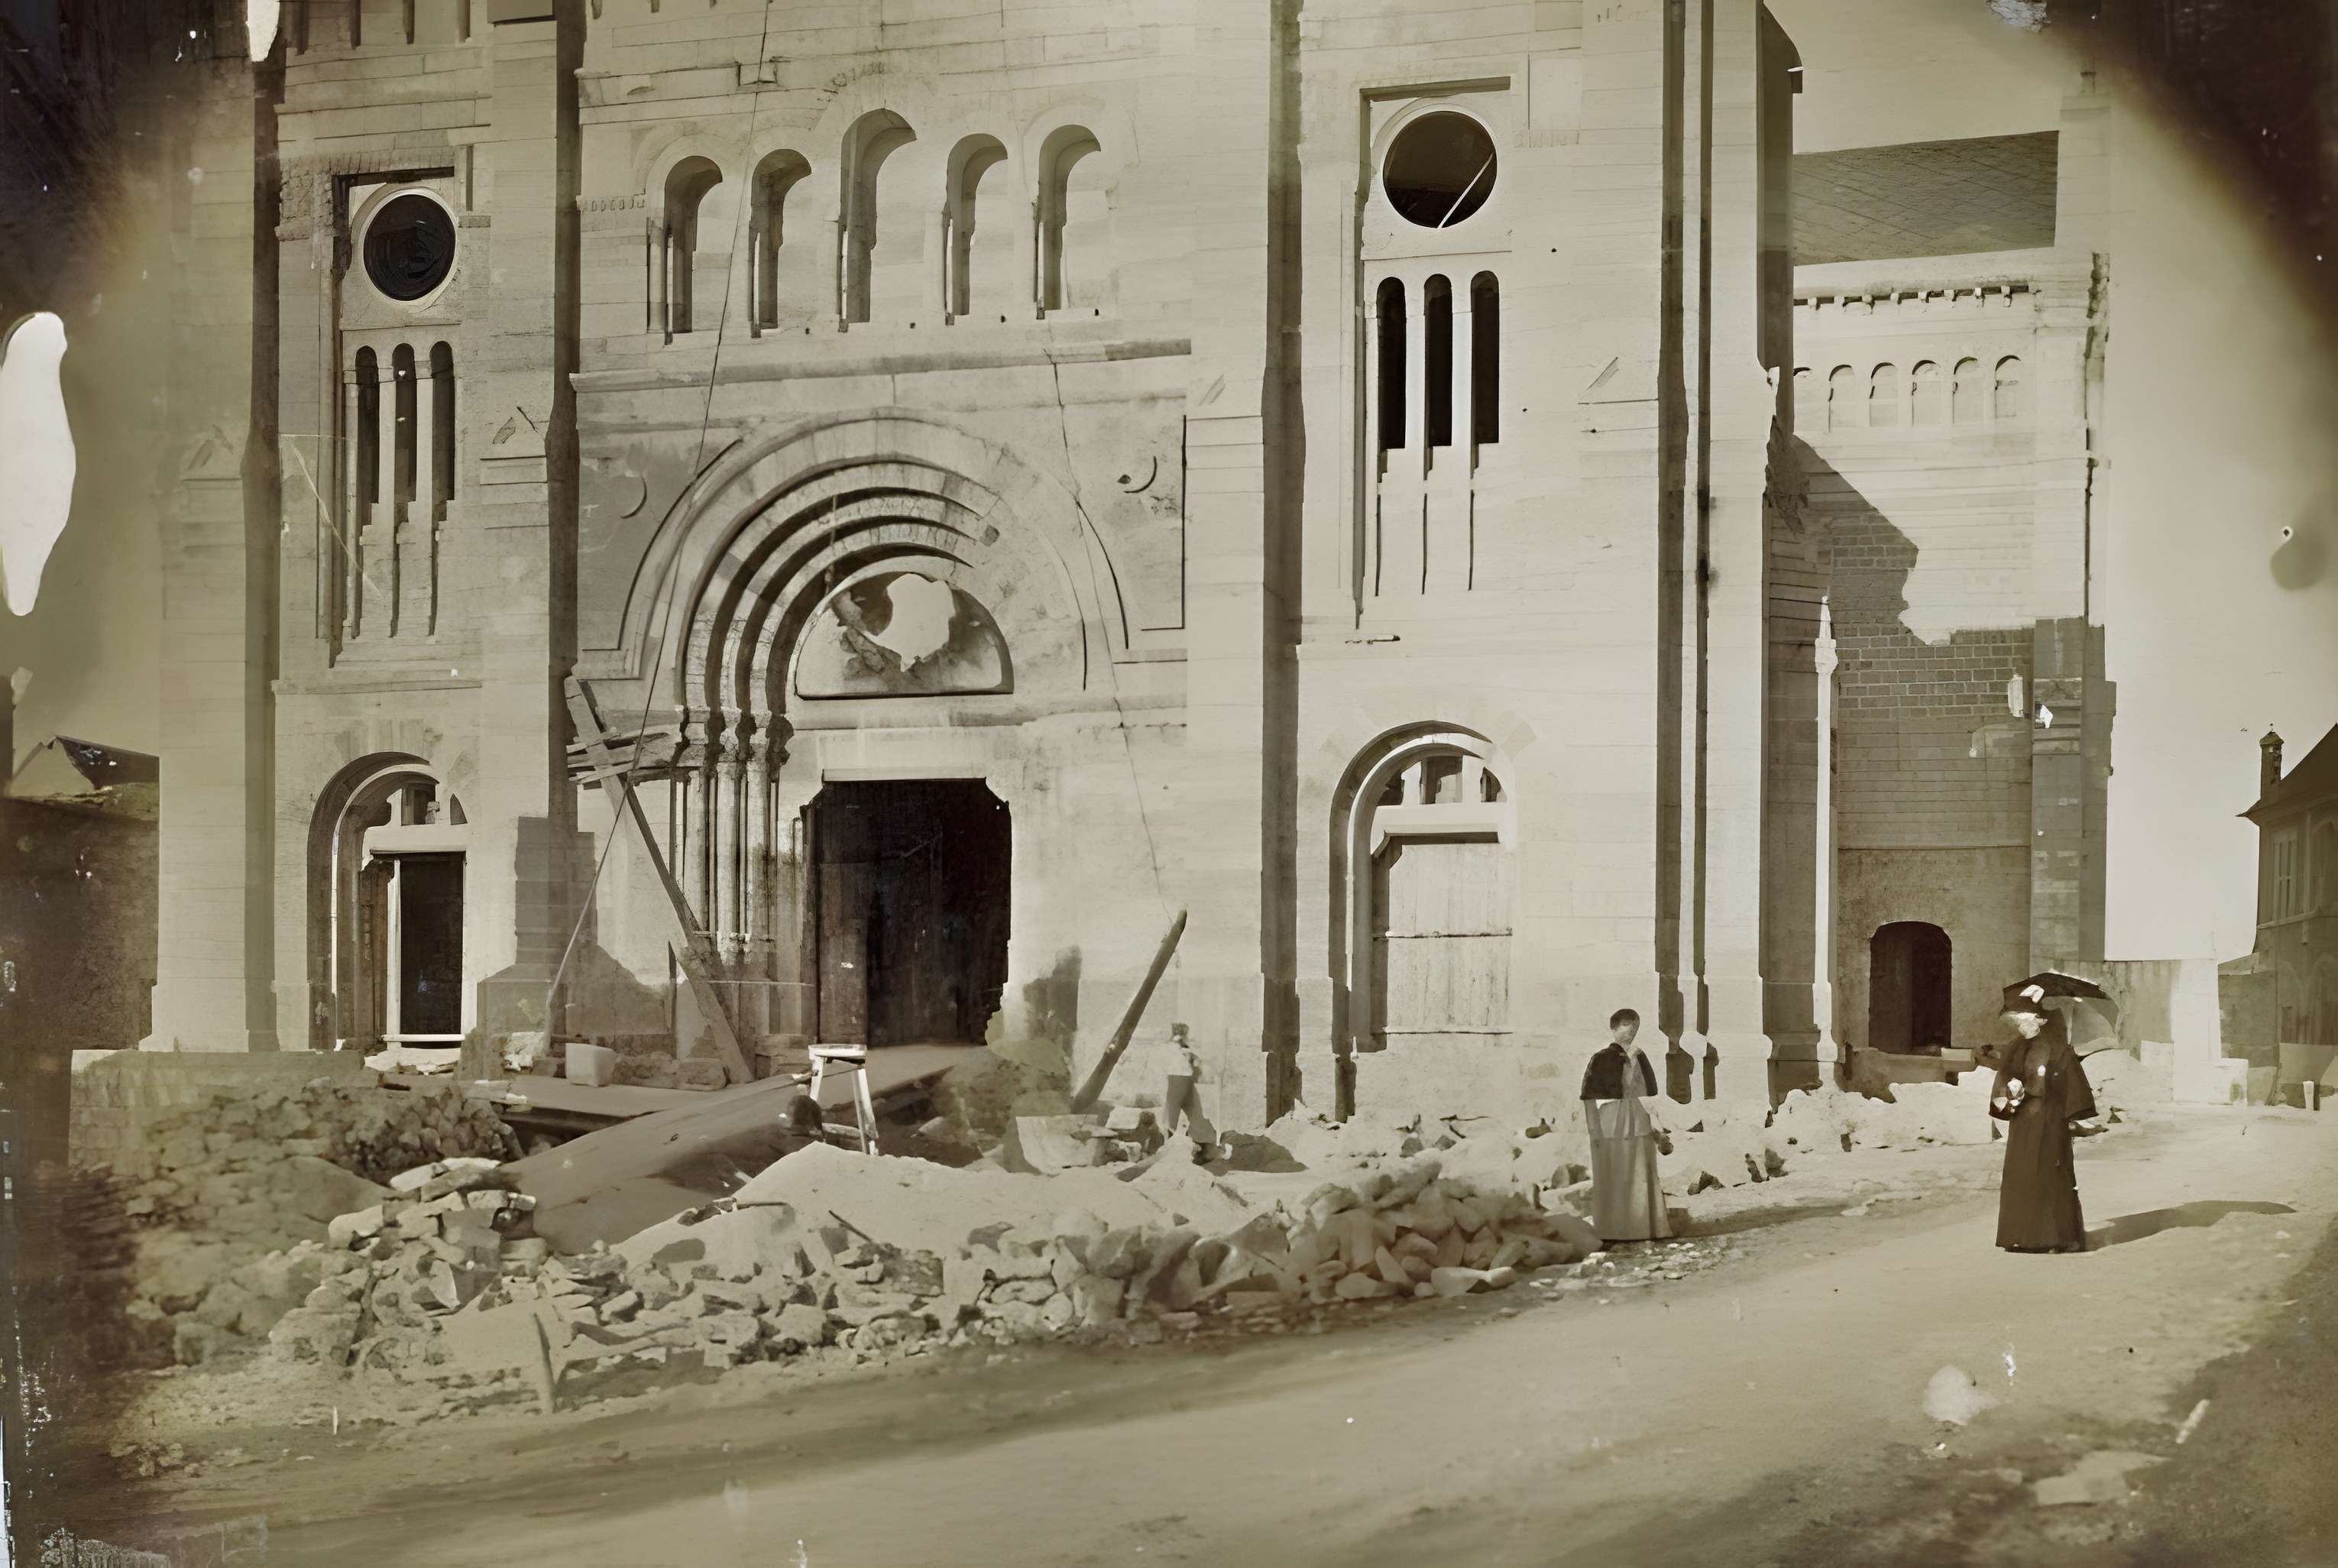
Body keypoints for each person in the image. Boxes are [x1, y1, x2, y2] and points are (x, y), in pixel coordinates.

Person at [1989, 985, 2102, 1253]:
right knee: (2022, 1175)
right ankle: (2020, 1236)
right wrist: (2011, 1092)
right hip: (2023, 1121)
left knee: (2050, 1175)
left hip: (2051, 1120)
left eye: (2026, 1019)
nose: (2021, 1025)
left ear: (2040, 1019)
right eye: (2017, 1020)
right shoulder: (2014, 1048)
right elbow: (2004, 1080)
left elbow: (2072, 1084)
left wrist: (2073, 1115)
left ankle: (2056, 1238)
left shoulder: (2058, 1049)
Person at [1580, 1008, 1671, 1244]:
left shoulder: (1640, 1056)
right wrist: (1594, 1131)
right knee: (1615, 1174)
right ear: (1613, 1029)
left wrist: (1658, 1130)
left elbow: (1649, 1098)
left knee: (1641, 1173)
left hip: (1638, 1119)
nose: (1629, 1036)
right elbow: (1589, 1099)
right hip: (1610, 1122)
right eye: (1625, 1031)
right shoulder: (1600, 1059)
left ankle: (1646, 1228)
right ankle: (1614, 1231)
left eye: (1634, 1032)